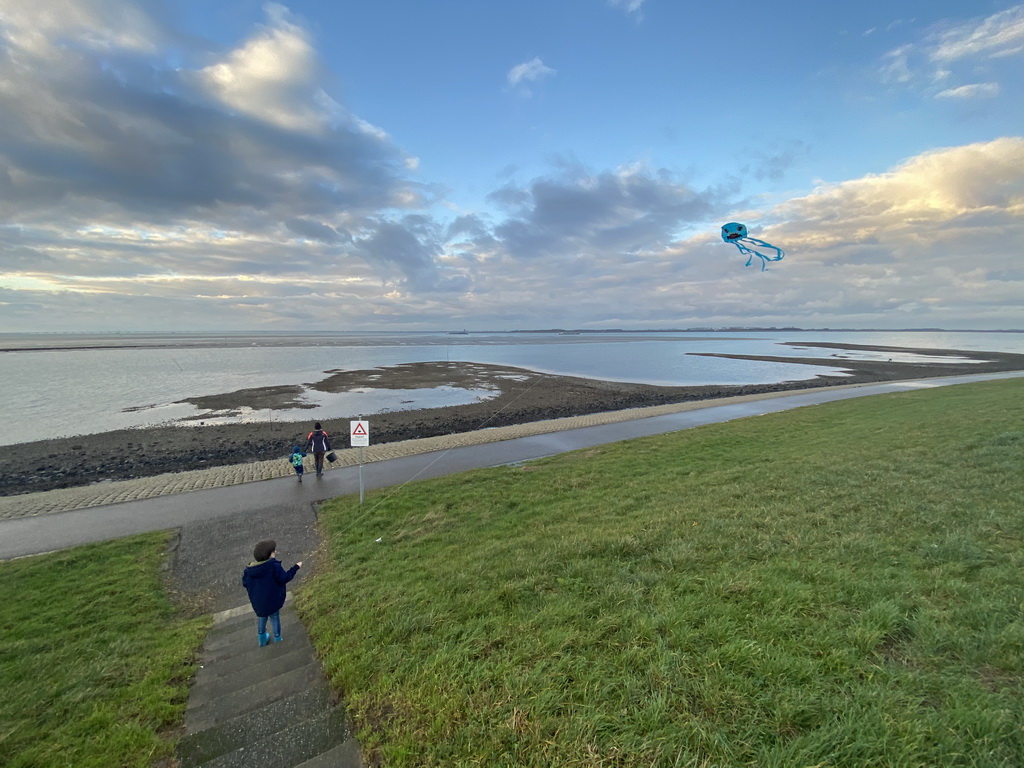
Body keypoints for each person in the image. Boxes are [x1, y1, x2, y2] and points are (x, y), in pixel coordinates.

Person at [241, 539, 302, 646]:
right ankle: (278, 639)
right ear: (269, 555)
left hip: (258, 602)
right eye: (274, 551)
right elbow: (284, 578)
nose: (275, 552)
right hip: (272, 600)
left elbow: (245, 583)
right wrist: (295, 567)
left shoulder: (249, 570)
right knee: (274, 618)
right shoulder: (273, 566)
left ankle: (262, 640)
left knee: (262, 618)